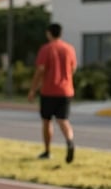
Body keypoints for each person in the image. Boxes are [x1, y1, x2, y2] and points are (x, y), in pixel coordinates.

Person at [27, 23, 77, 163]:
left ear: (49, 33)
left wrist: (33, 89)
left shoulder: (46, 49)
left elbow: (41, 69)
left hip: (49, 90)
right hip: (66, 90)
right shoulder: (69, 49)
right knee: (63, 119)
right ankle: (70, 141)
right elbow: (73, 68)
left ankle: (47, 151)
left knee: (47, 121)